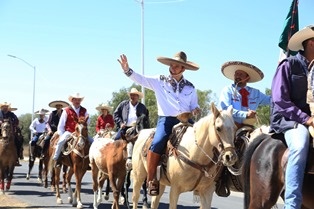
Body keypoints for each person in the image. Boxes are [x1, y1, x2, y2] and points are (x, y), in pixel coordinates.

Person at [117, 51, 201, 196]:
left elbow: (194, 105)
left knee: (202, 141)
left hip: (186, 120)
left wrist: (195, 110)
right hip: (166, 120)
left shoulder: (190, 87)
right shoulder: (159, 80)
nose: (173, 67)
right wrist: (127, 69)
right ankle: (152, 180)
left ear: (183, 69)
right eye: (172, 64)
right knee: (157, 142)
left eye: (177, 65)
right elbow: (140, 79)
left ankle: (204, 179)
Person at [270, 25, 314, 209]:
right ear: (311, 43)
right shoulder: (288, 65)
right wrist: (306, 119)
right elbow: (280, 100)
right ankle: (292, 203)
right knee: (300, 144)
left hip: (310, 118)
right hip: (288, 119)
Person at [218, 61, 270, 128]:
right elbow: (225, 109)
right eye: (236, 74)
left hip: (248, 127)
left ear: (247, 78)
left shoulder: (255, 93)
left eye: (241, 74)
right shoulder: (228, 90)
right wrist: (245, 114)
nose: (238, 76)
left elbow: (270, 100)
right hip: (229, 127)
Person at [52, 93, 90, 167]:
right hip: (69, 132)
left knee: (92, 142)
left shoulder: (84, 110)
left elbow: (88, 121)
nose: (77, 101)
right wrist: (61, 134)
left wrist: (84, 123)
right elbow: (61, 124)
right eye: (76, 99)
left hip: (81, 133)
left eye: (79, 100)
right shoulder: (67, 110)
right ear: (72, 100)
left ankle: (90, 161)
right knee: (60, 142)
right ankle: (56, 159)